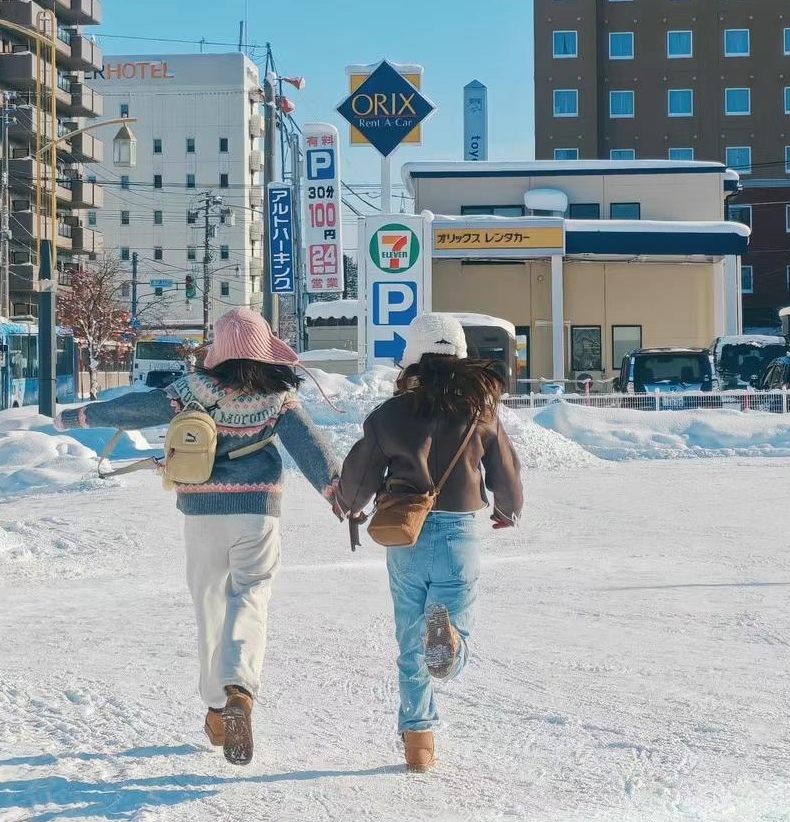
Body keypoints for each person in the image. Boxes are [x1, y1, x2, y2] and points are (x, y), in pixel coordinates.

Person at [69, 307, 340, 766]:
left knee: (209, 605)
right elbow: (311, 445)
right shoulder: (277, 396)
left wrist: (79, 416)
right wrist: (336, 489)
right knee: (251, 596)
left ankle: (217, 708)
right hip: (257, 512)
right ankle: (240, 687)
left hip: (200, 512)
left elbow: (136, 408)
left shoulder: (191, 390)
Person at [333, 313, 524, 773]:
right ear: (460, 356)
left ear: (412, 357)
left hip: (405, 536)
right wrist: (507, 509)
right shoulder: (481, 411)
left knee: (409, 638)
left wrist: (350, 505)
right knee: (455, 631)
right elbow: (504, 468)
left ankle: (418, 737)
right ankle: (451, 647)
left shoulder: (389, 415)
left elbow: (358, 479)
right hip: (459, 532)